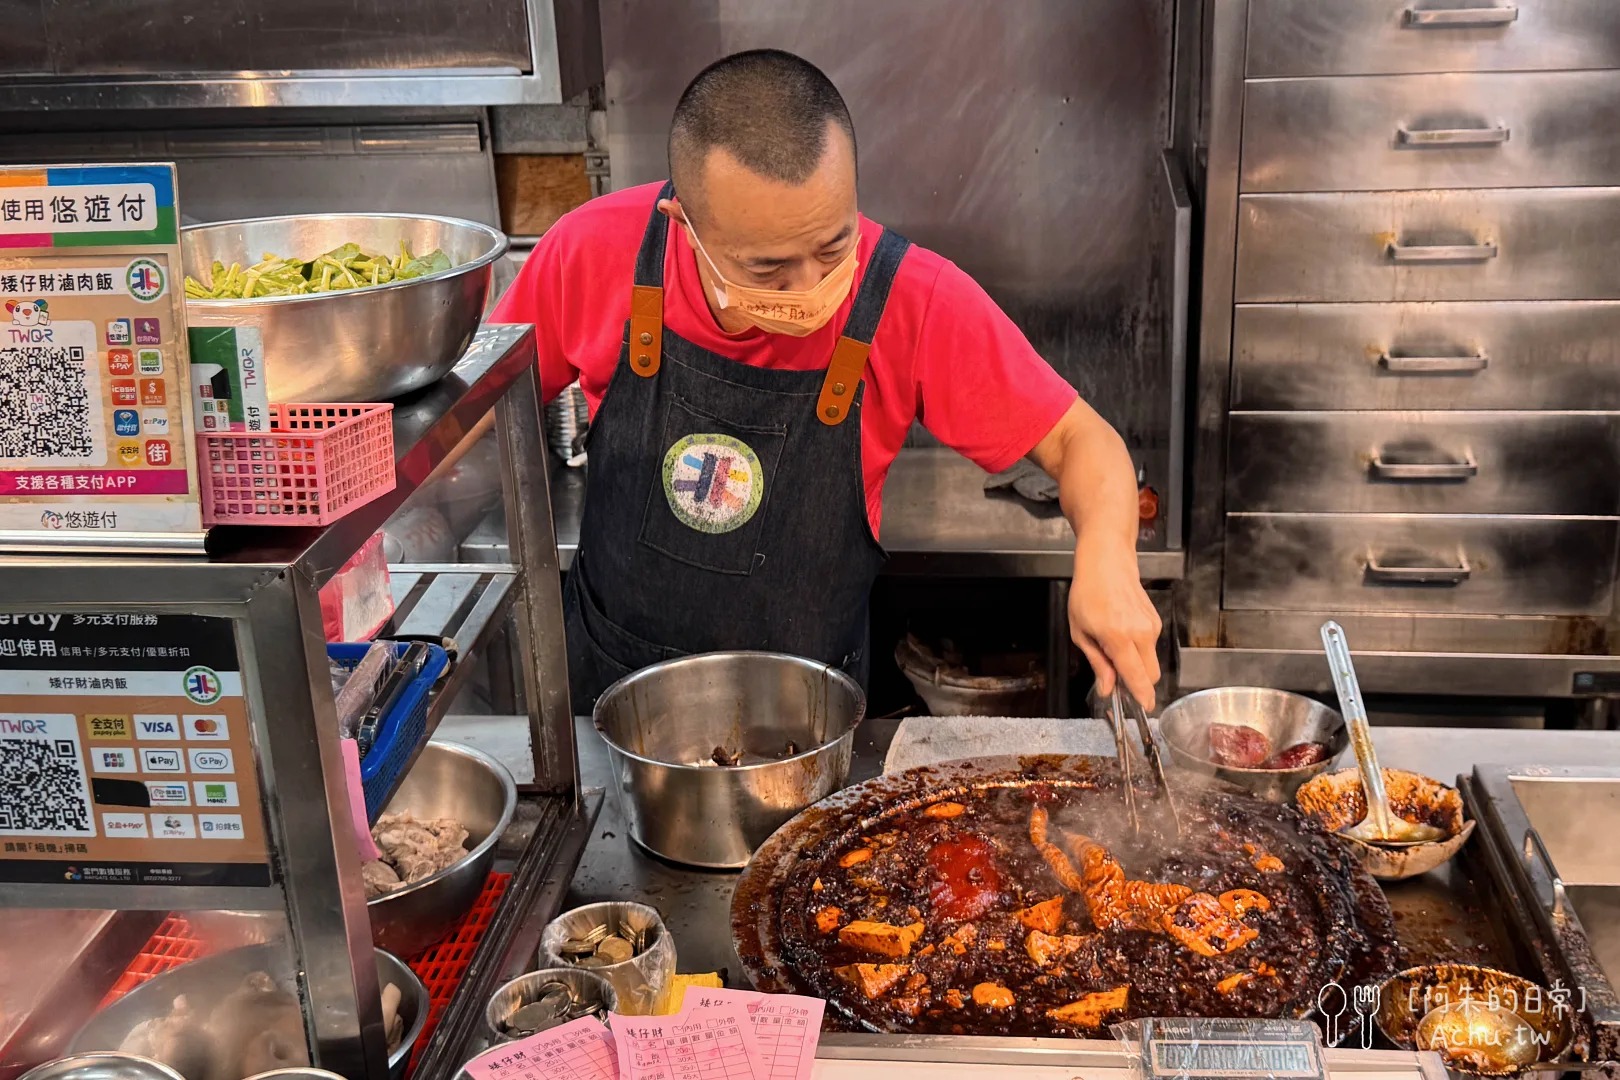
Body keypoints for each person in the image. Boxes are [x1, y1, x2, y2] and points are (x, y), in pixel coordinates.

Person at [494, 49, 1162, 712]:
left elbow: (1082, 440)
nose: (810, 290)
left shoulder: (909, 298)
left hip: (808, 727)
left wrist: (1108, 559)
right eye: (767, 269)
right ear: (685, 226)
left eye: (833, 247)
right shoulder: (591, 251)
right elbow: (476, 407)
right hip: (612, 709)